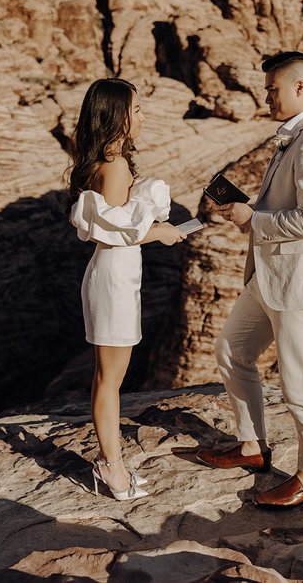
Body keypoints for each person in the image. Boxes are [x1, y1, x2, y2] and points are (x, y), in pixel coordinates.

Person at [197, 51, 303, 508]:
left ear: (300, 87)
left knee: (300, 380)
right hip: (270, 276)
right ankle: (251, 446)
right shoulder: (293, 138)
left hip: (299, 284)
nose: (266, 97)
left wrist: (253, 219)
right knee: (232, 349)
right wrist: (247, 217)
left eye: (271, 89)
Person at [67, 78, 186, 501]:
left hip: (116, 276)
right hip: (114, 277)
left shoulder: (109, 160)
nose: (142, 116)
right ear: (116, 115)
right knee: (109, 379)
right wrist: (163, 233)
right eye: (136, 109)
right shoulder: (114, 166)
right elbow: (115, 233)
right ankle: (112, 469)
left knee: (110, 376)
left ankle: (111, 461)